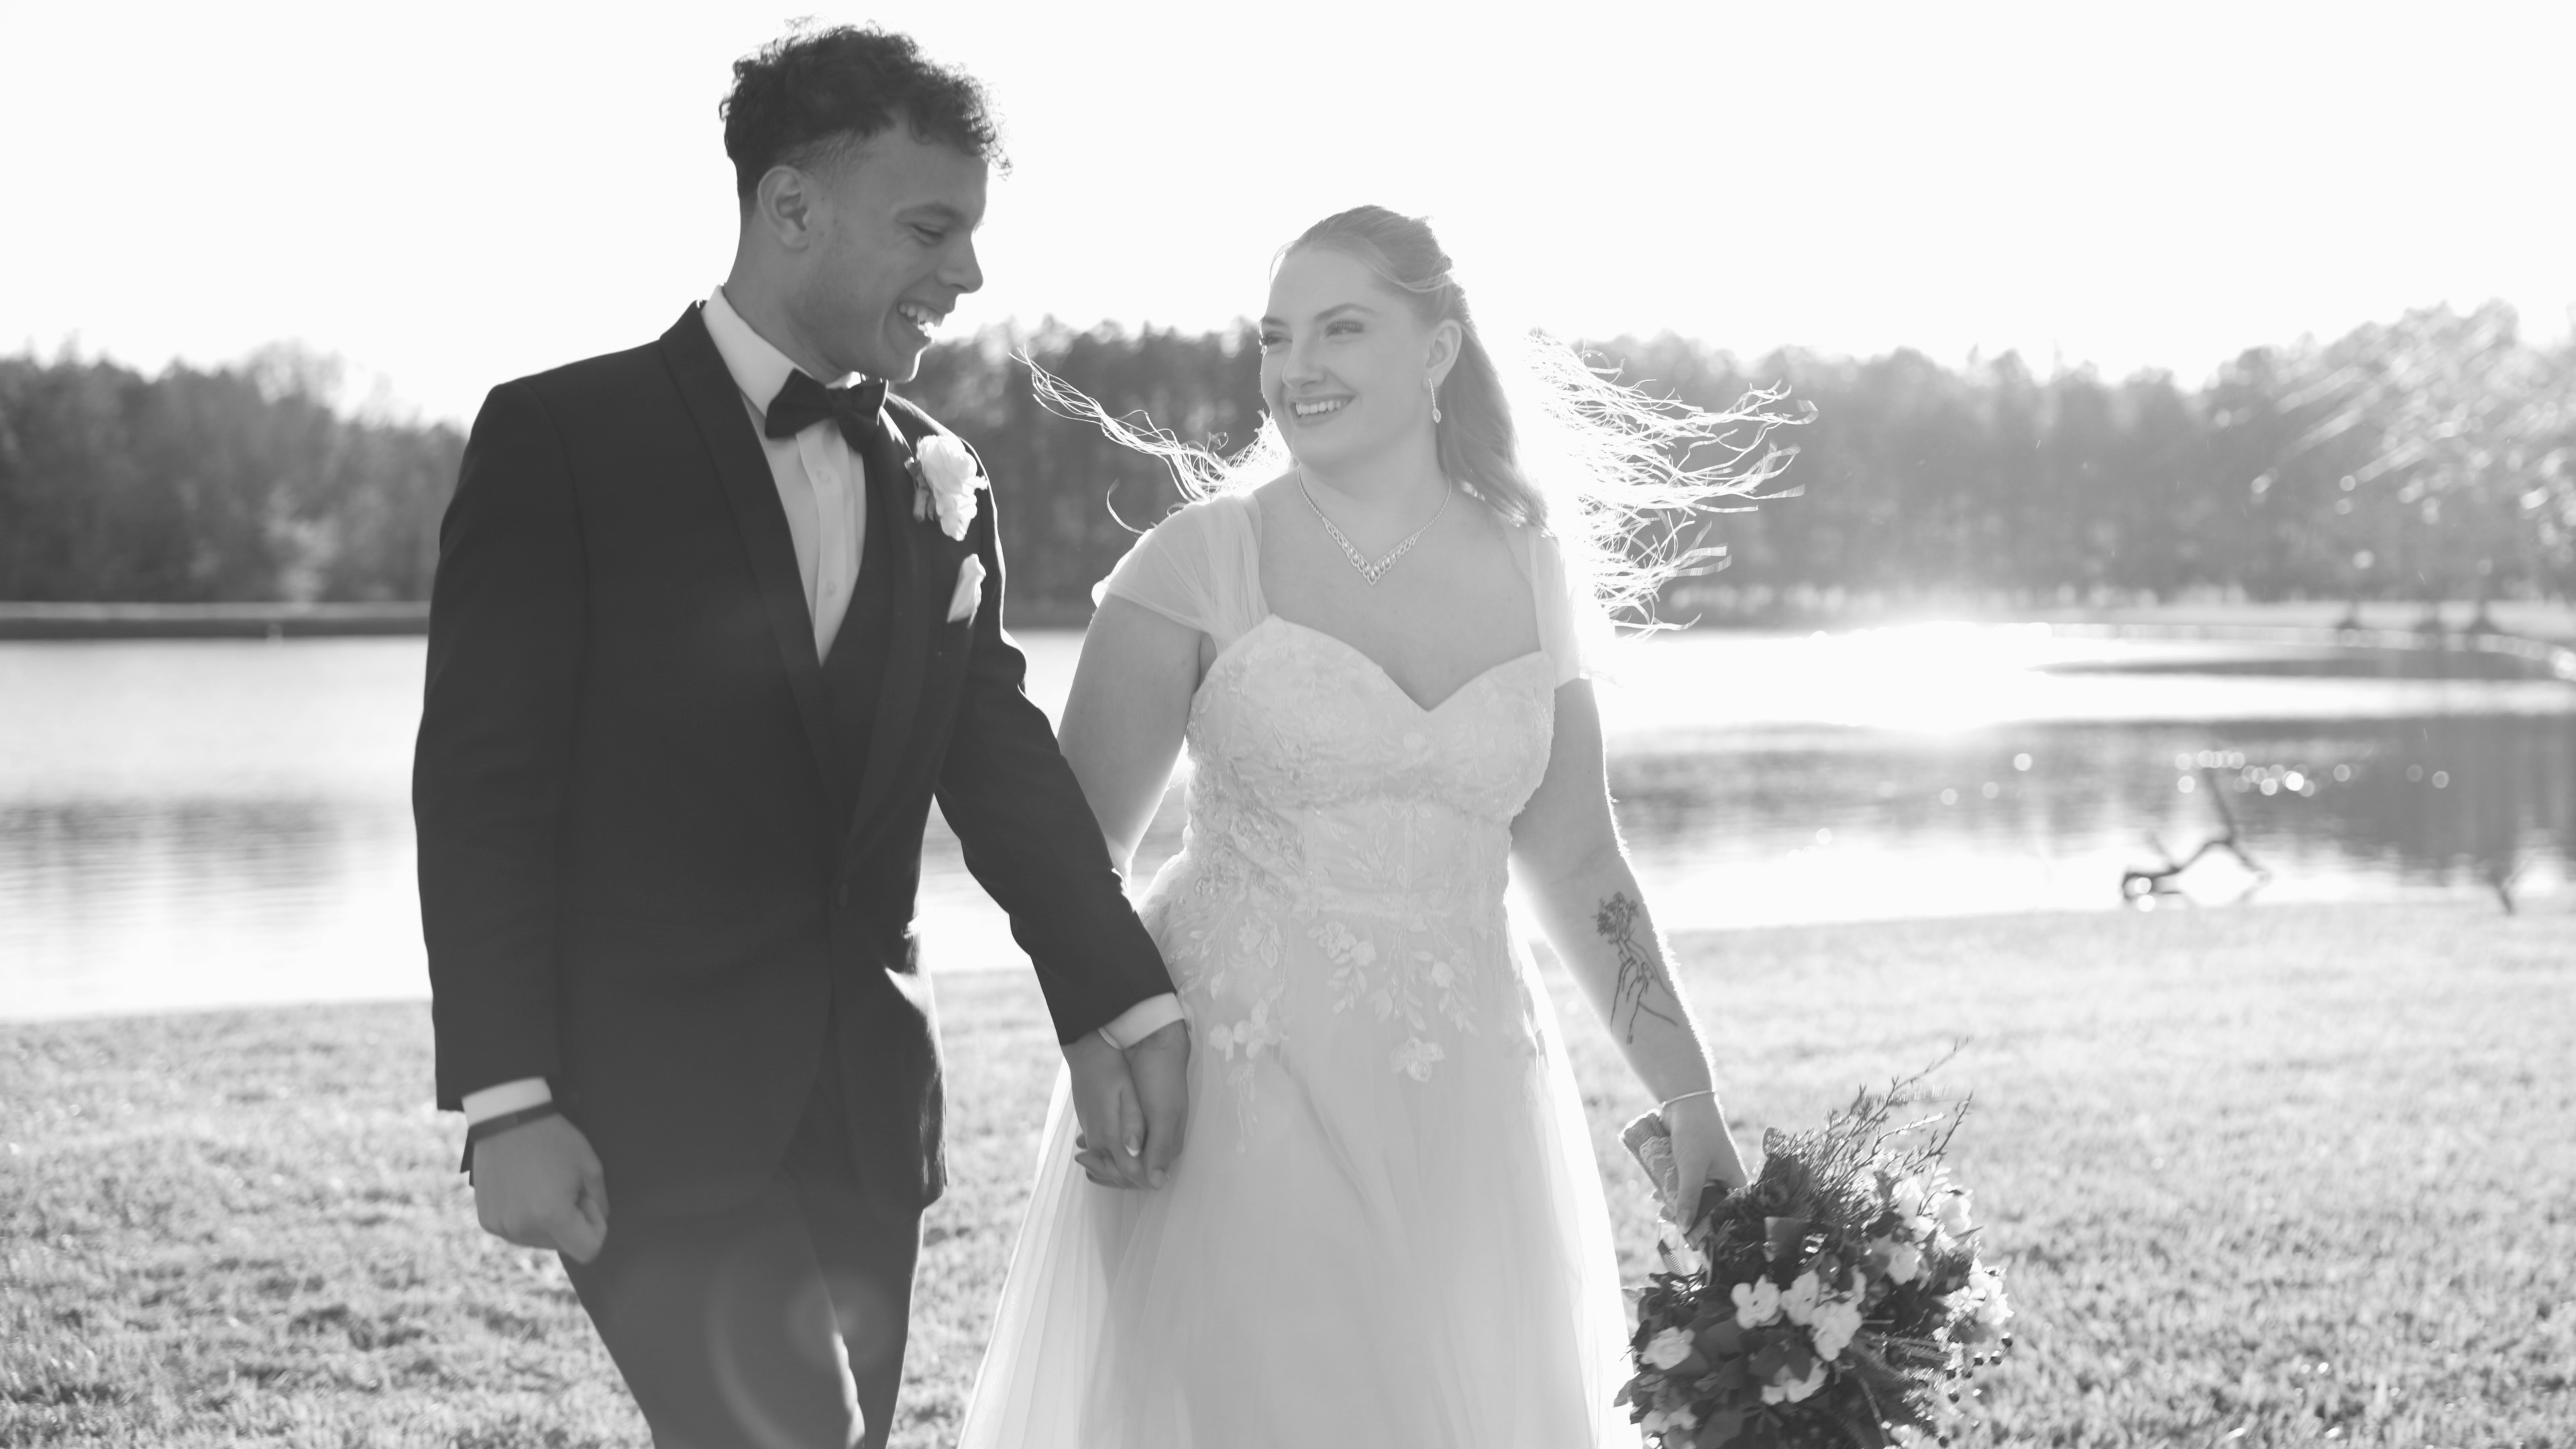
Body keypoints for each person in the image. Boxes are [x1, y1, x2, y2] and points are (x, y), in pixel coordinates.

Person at [411, 27, 1189, 1449]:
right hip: (641, 1114)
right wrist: (506, 1098)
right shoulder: (562, 441)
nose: (966, 275)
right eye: (930, 228)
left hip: (866, 1122)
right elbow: (481, 792)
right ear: (790, 210)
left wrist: (1121, 1000)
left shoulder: (945, 485)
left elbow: (1000, 770)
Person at [958, 205, 1793, 1446]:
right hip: (1234, 1090)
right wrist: (1103, 1054)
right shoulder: (1199, 562)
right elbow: (1075, 865)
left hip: (1470, 1096)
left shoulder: (1532, 570)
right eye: (1277, 337)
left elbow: (1575, 858)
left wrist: (1691, 1098)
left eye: (1343, 328)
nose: (1299, 369)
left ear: (1439, 348)